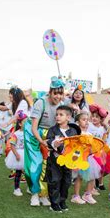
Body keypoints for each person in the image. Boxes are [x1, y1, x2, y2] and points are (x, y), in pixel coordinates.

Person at [24, 76, 65, 207]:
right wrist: (41, 141)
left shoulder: (61, 106)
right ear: (50, 91)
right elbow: (34, 127)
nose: (58, 96)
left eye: (60, 93)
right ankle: (35, 193)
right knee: (36, 163)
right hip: (33, 134)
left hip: (50, 134)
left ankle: (44, 194)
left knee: (49, 165)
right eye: (55, 93)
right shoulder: (40, 103)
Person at [44, 105, 80, 212]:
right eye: (57, 114)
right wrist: (55, 143)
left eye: (61, 115)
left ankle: (62, 200)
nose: (58, 117)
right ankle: (54, 203)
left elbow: (76, 146)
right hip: (54, 162)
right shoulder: (53, 130)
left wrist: (76, 160)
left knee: (67, 181)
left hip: (68, 162)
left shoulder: (73, 131)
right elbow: (49, 140)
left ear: (68, 117)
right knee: (55, 181)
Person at [70, 111, 101, 205]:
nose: (86, 122)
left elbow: (92, 147)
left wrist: (93, 150)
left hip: (90, 158)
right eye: (84, 120)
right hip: (80, 158)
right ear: (78, 122)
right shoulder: (77, 134)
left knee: (92, 177)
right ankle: (76, 196)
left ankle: (88, 194)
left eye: (88, 120)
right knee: (79, 177)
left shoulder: (89, 134)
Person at [5, 111, 27, 196]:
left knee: (28, 172)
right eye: (25, 122)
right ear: (20, 124)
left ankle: (30, 187)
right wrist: (16, 154)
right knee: (18, 172)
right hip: (19, 153)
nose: (27, 123)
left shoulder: (29, 133)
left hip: (27, 154)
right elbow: (12, 145)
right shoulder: (16, 134)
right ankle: (16, 188)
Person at [88, 104, 108, 191]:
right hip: (90, 151)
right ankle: (91, 187)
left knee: (101, 168)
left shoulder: (102, 128)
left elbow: (104, 138)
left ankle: (99, 183)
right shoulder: (89, 125)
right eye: (93, 116)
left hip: (99, 151)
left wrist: (105, 126)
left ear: (101, 119)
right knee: (91, 169)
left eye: (97, 117)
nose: (94, 118)